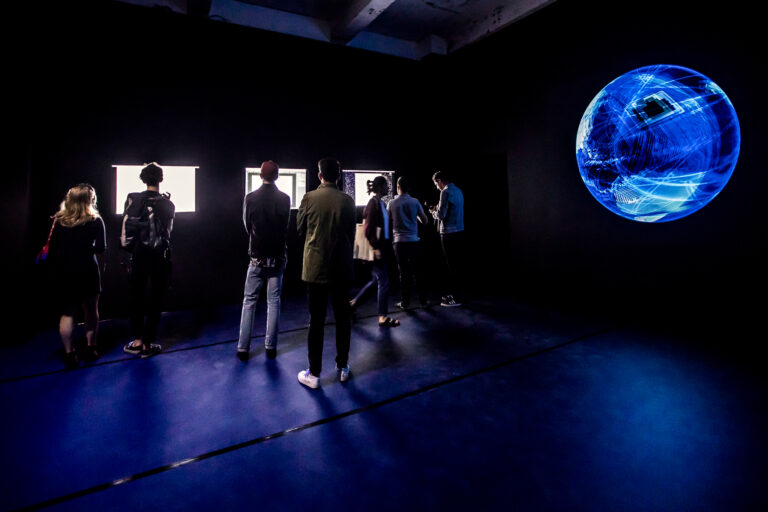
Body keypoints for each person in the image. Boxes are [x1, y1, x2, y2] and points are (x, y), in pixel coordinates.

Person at [296, 157, 356, 388]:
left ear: (319, 175)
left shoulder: (309, 198)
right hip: (341, 269)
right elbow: (350, 234)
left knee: (316, 321)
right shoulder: (348, 201)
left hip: (315, 269)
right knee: (343, 319)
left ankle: (314, 373)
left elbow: (299, 229)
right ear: (338, 176)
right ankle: (343, 367)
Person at [237, 160, 291, 361]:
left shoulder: (250, 198)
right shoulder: (285, 198)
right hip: (277, 258)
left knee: (249, 302)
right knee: (274, 301)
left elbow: (247, 226)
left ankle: (243, 348)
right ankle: (271, 347)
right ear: (277, 176)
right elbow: (285, 227)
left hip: (257, 258)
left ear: (260, 175)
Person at [48, 184, 106, 369]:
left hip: (65, 271)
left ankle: (69, 353)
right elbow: (100, 248)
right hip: (88, 270)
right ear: (90, 200)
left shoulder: (59, 220)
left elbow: (52, 250)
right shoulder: (95, 220)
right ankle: (91, 349)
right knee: (91, 310)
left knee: (67, 313)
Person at [120, 163, 175, 358]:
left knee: (136, 297)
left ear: (143, 179)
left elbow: (126, 228)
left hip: (138, 254)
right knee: (156, 299)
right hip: (159, 256)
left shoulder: (133, 198)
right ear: (161, 179)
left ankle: (137, 340)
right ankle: (148, 343)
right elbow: (168, 232)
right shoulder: (168, 204)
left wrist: (128, 250)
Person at [350, 176, 400, 327]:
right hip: (376, 250)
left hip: (382, 248)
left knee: (375, 281)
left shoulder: (381, 203)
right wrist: (376, 248)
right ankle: (382, 317)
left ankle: (352, 304)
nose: (388, 188)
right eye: (386, 185)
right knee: (384, 281)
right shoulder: (373, 204)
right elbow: (368, 229)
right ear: (380, 187)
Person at [388, 176, 429, 310]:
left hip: (399, 243)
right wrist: (414, 215)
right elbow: (425, 221)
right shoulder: (415, 201)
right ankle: (423, 301)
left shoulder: (392, 203)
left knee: (404, 273)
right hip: (414, 241)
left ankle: (405, 303)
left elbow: (387, 222)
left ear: (398, 187)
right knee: (419, 272)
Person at [430, 170, 465, 307]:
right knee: (457, 265)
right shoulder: (458, 191)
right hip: (460, 231)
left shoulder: (445, 192)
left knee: (451, 266)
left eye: (435, 184)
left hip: (448, 233)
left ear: (439, 180)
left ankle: (455, 299)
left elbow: (441, 215)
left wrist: (433, 211)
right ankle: (457, 294)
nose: (436, 187)